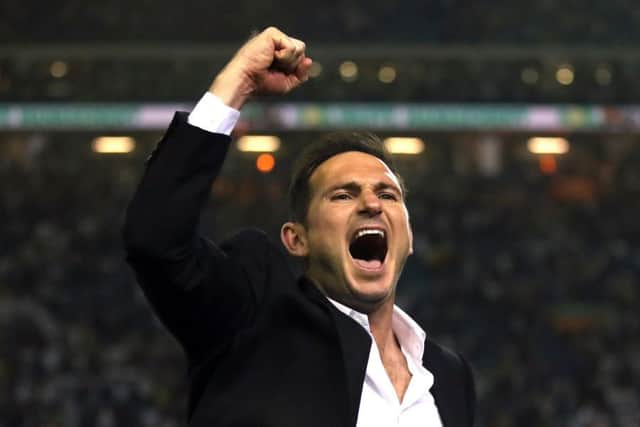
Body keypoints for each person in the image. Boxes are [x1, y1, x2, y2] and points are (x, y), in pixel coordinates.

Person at [123, 26, 475, 427]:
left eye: (388, 194)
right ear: (296, 239)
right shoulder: (255, 314)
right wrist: (237, 82)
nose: (372, 203)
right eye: (343, 195)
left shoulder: (450, 376)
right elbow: (153, 238)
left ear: (408, 238)